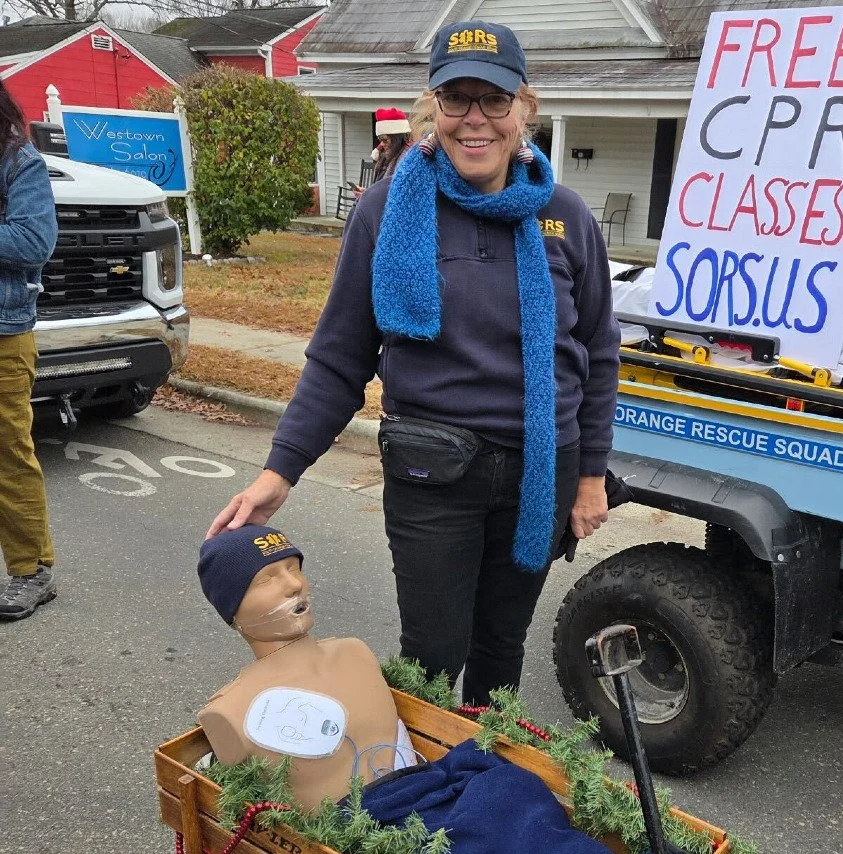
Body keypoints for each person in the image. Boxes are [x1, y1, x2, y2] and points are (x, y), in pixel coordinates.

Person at [208, 19, 621, 706]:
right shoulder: (387, 211)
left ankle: (486, 779)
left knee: (500, 645)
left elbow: (598, 356)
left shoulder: (566, 216)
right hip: (433, 475)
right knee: (432, 653)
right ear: (432, 107)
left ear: (525, 108)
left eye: (493, 99)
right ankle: (420, 789)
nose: (475, 120)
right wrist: (280, 471)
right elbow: (341, 358)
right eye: (455, 99)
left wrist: (591, 480)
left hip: (541, 476)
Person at [197, 524, 413, 811]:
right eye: (266, 579)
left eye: (293, 568)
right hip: (350, 846)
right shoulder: (227, 711)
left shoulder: (355, 651)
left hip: (430, 799)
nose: (294, 584)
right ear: (232, 606)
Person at [0, 82, 59, 621]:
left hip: (3, 334)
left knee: (7, 453)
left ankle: (32, 571)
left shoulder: (19, 162)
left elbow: (32, 242)